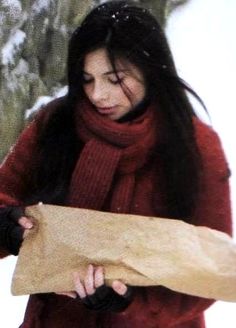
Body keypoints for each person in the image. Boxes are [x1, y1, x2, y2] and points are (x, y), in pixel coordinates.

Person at [0, 0, 232, 327]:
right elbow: (3, 193)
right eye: (87, 79)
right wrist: (7, 227)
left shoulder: (194, 146)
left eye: (115, 78)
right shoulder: (56, 124)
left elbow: (213, 266)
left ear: (150, 70)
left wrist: (129, 301)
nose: (98, 95)